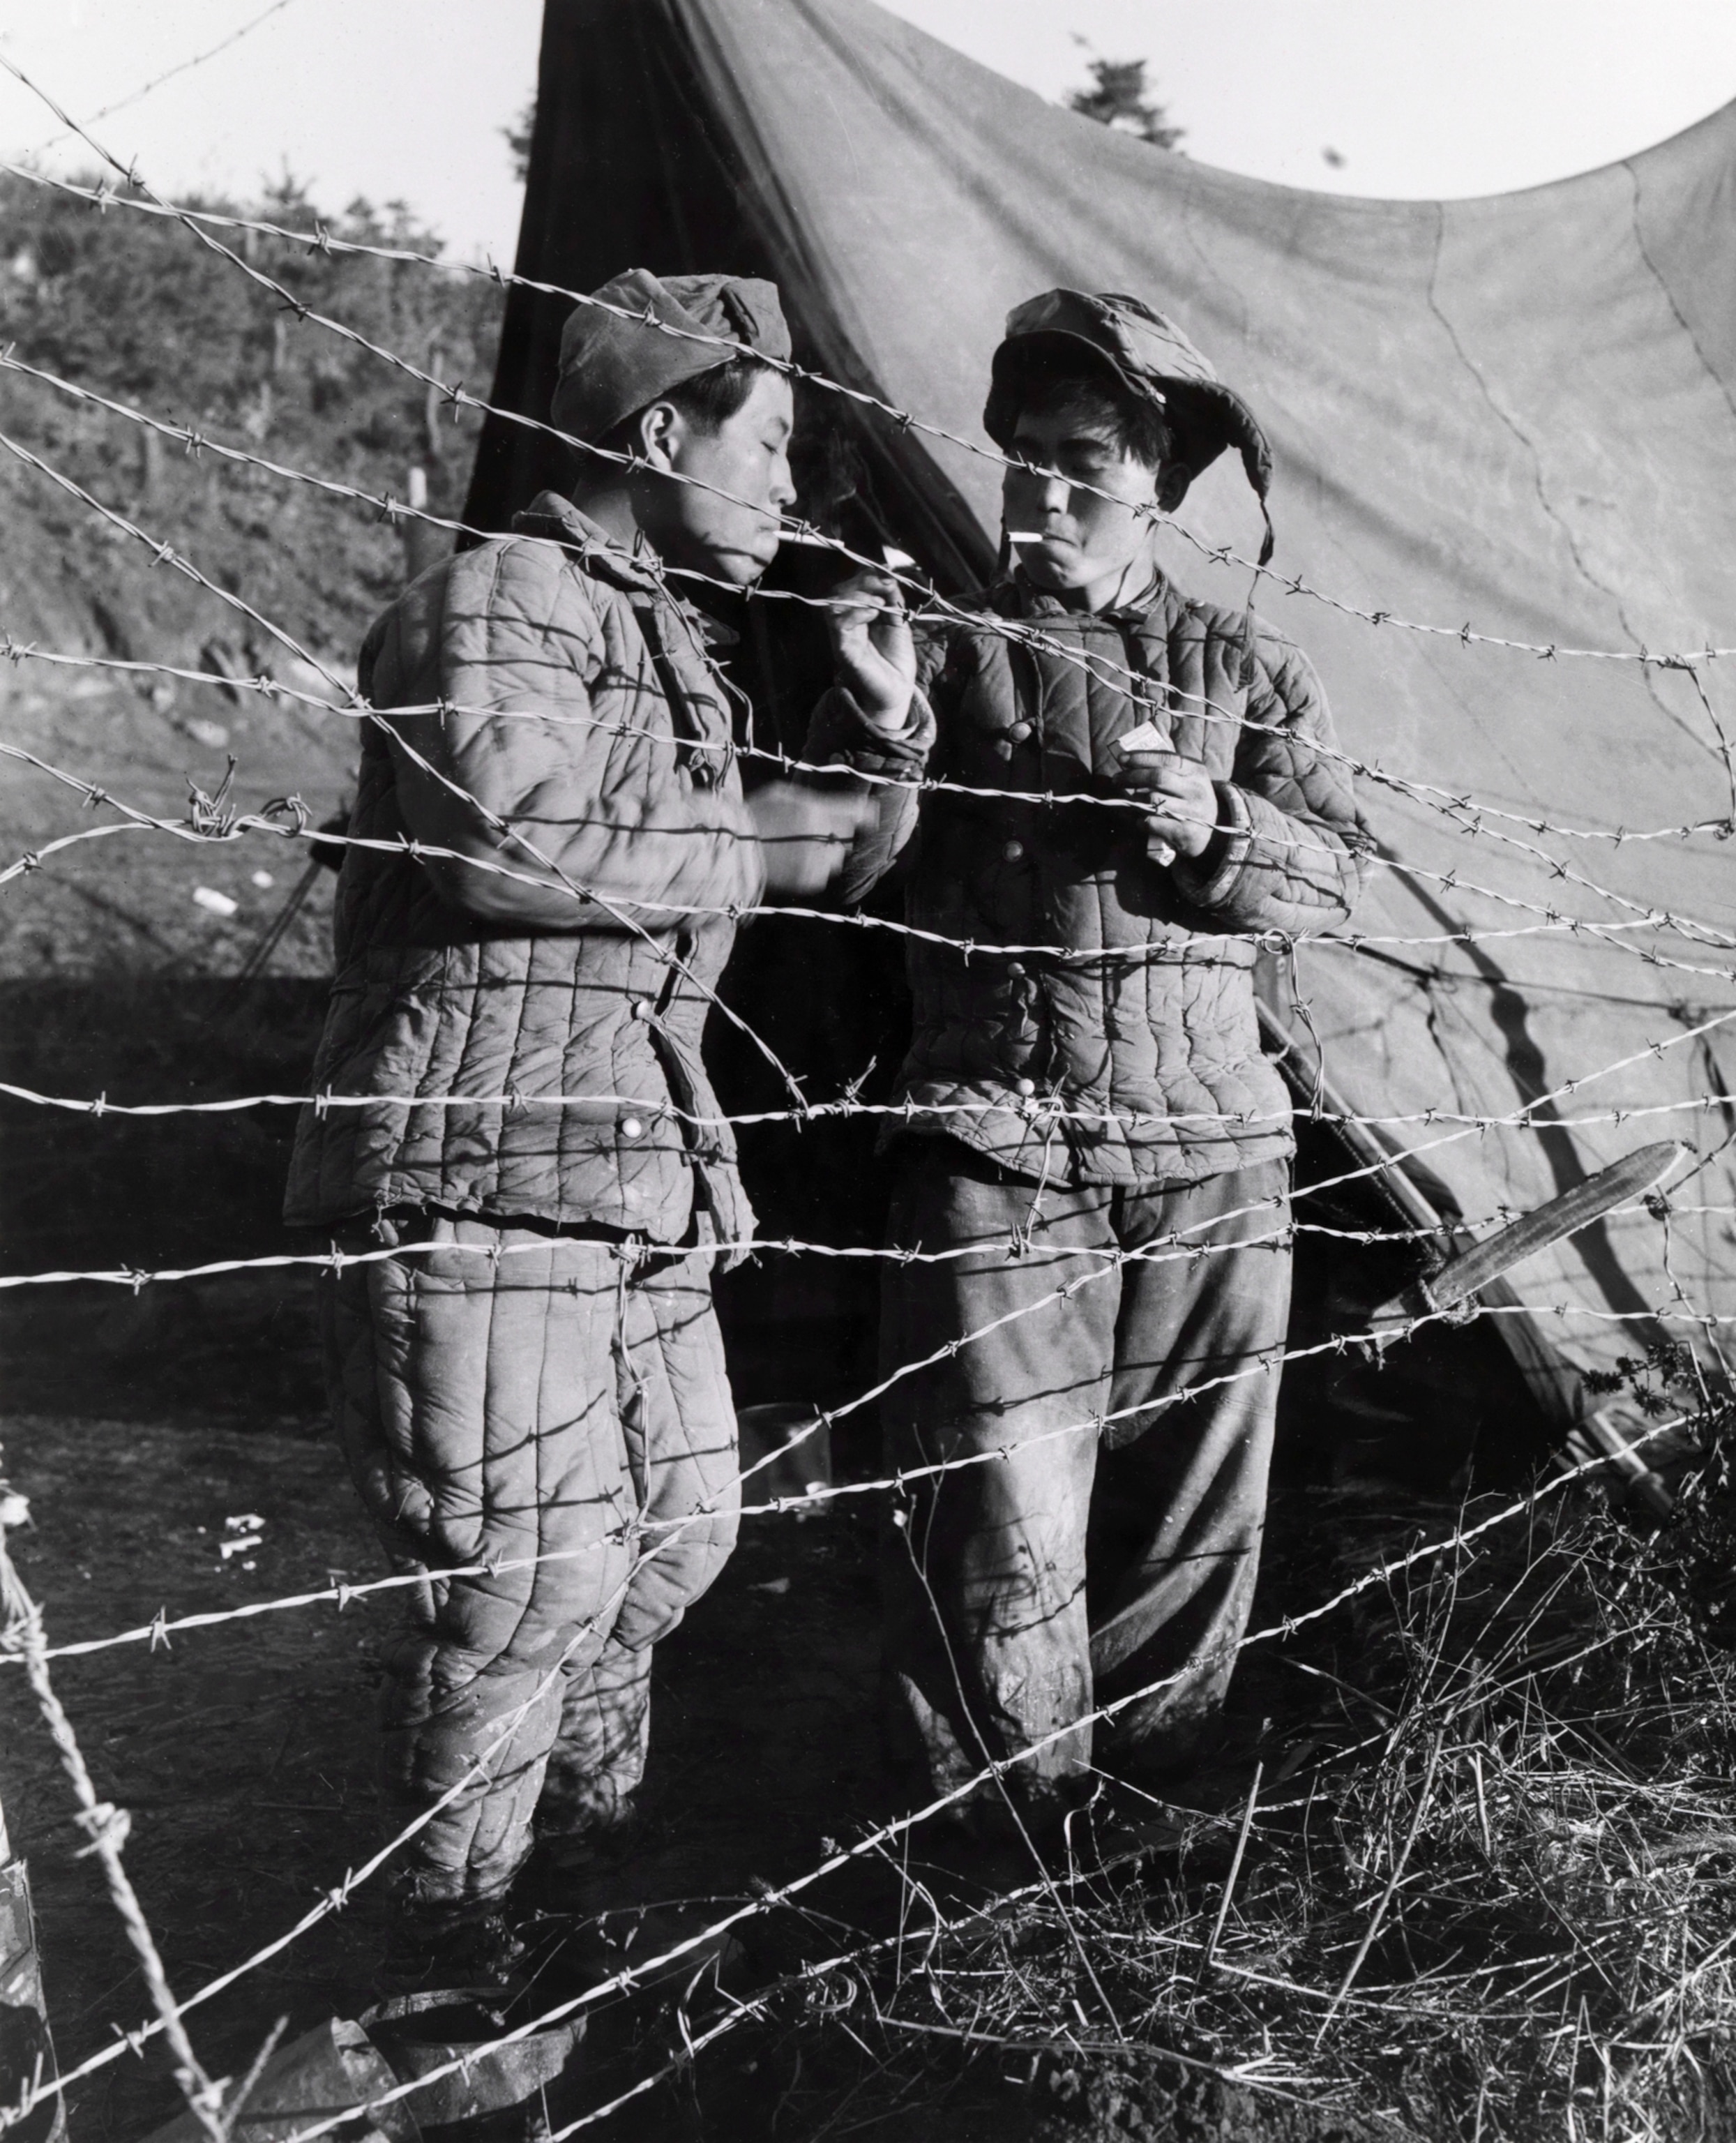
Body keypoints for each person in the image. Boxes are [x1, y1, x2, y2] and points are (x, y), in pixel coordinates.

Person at [285, 268, 863, 1979]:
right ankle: (445, 1953)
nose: (788, 486)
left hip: (628, 1168)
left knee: (673, 1545)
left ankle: (580, 1890)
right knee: (527, 1586)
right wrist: (763, 839)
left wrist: (879, 733)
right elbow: (509, 843)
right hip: (485, 1168)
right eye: (770, 445)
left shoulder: (663, 637)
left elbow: (821, 845)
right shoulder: (505, 601)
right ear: (663, 434)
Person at [811, 288, 1369, 1831]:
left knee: (1187, 1527)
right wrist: (887, 734)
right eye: (1025, 457)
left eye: (1088, 464)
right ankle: (993, 1865)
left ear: (1160, 485)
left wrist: (1222, 828)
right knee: (998, 1528)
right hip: (1001, 1154)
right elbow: (841, 869)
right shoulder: (934, 652)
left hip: (1212, 1158)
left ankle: (1147, 1846)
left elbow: (1338, 882)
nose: (1045, 495)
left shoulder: (1245, 669)